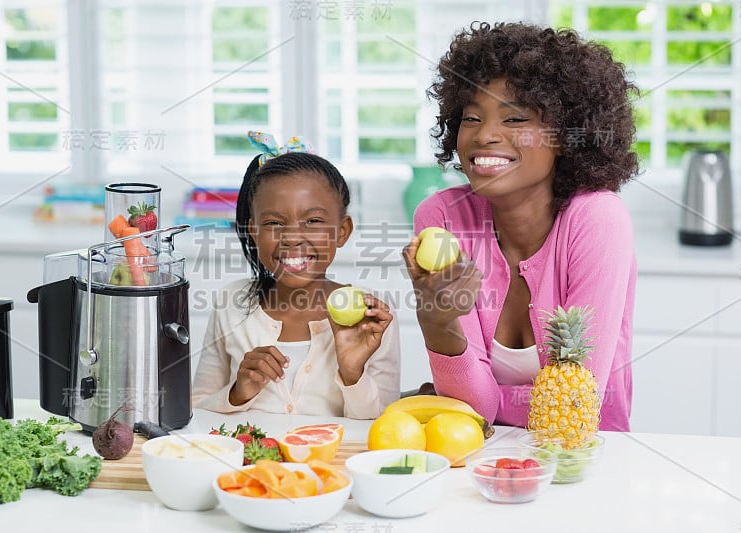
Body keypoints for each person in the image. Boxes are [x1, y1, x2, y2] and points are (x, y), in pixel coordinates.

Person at [402, 22, 638, 431]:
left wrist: (488, 402)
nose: (485, 135)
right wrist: (436, 323)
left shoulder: (597, 218)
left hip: (584, 462)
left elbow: (576, 402)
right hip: (481, 464)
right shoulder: (441, 218)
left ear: (565, 136)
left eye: (514, 119)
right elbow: (476, 410)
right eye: (472, 117)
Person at [192, 131, 400, 418]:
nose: (291, 238)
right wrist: (238, 392)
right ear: (254, 231)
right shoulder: (231, 303)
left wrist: (353, 373)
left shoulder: (372, 317)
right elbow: (196, 410)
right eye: (275, 222)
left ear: (342, 231)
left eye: (313, 221)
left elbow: (385, 428)